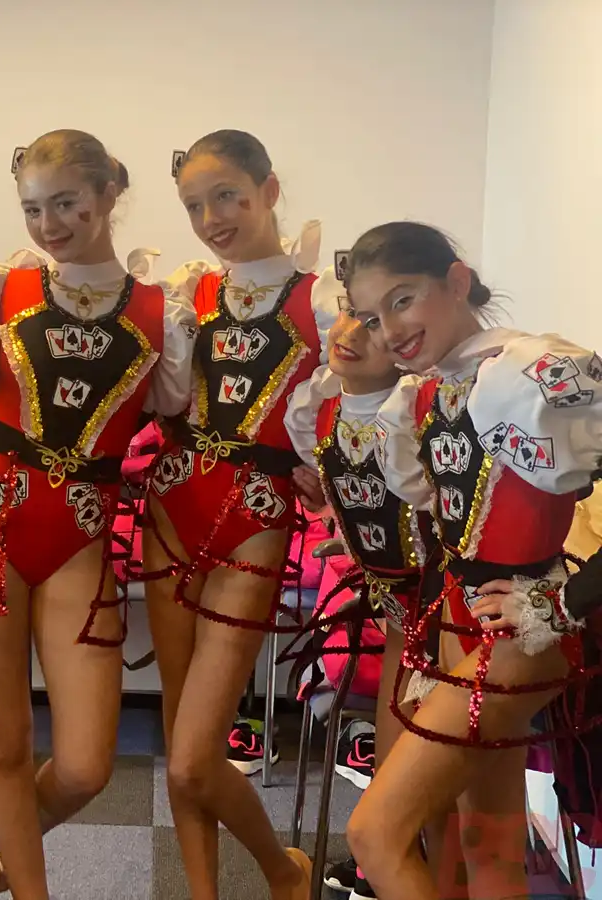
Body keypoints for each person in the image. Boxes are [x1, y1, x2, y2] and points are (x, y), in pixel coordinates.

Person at [0, 128, 194, 900]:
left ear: (108, 194)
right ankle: (31, 886)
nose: (48, 225)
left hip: (81, 532)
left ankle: (19, 842)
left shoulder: (163, 311)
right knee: (5, 742)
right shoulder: (2, 289)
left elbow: (181, 415)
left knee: (85, 764)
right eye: (32, 209)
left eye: (66, 204)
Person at [340, 222, 602, 900]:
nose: (390, 329)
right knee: (488, 852)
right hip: (459, 626)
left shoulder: (529, 373)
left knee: (375, 833)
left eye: (403, 299)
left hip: (521, 639)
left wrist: (567, 600)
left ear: (456, 282)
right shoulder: (424, 394)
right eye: (373, 316)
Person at [142, 130, 336, 900]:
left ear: (269, 189)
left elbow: (360, 403)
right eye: (194, 205)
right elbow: (162, 400)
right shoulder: (188, 294)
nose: (211, 219)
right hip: (170, 508)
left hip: (255, 520)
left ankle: (283, 871)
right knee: (177, 744)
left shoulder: (323, 298)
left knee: (196, 755)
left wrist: (323, 464)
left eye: (226, 196)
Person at [284, 271, 440, 900]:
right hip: (398, 610)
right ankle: (389, 871)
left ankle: (410, 868)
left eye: (375, 323)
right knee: (393, 758)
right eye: (351, 312)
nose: (349, 331)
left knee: (433, 787)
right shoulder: (321, 408)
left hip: (448, 613)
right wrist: (341, 526)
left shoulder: (423, 411)